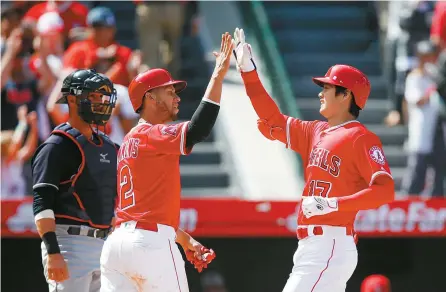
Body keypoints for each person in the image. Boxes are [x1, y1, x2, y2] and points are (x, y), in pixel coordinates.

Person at [232, 28, 395, 292]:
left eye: (328, 87)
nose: (321, 92)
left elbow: (385, 191)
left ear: (346, 95)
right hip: (312, 245)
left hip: (330, 243)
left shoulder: (361, 137)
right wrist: (248, 72)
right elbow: (272, 118)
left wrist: (332, 204)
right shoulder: (315, 131)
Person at [99, 32, 233, 292]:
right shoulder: (152, 133)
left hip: (117, 244)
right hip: (150, 245)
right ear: (149, 98)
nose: (177, 97)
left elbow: (142, 212)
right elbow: (198, 129)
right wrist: (217, 77)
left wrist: (183, 239)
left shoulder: (128, 140)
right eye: (169, 91)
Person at [32, 69, 118, 292]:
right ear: (72, 99)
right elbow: (42, 204)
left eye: (102, 97)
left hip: (105, 243)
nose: (99, 102)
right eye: (92, 96)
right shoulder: (56, 146)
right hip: (69, 244)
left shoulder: (109, 146)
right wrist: (53, 252)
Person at [401, 40, 444, 197]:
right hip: (421, 129)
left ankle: (436, 200)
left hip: (437, 129)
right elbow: (417, 100)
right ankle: (409, 199)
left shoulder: (434, 75)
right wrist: (433, 88)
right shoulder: (414, 78)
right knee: (417, 170)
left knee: (438, 170)